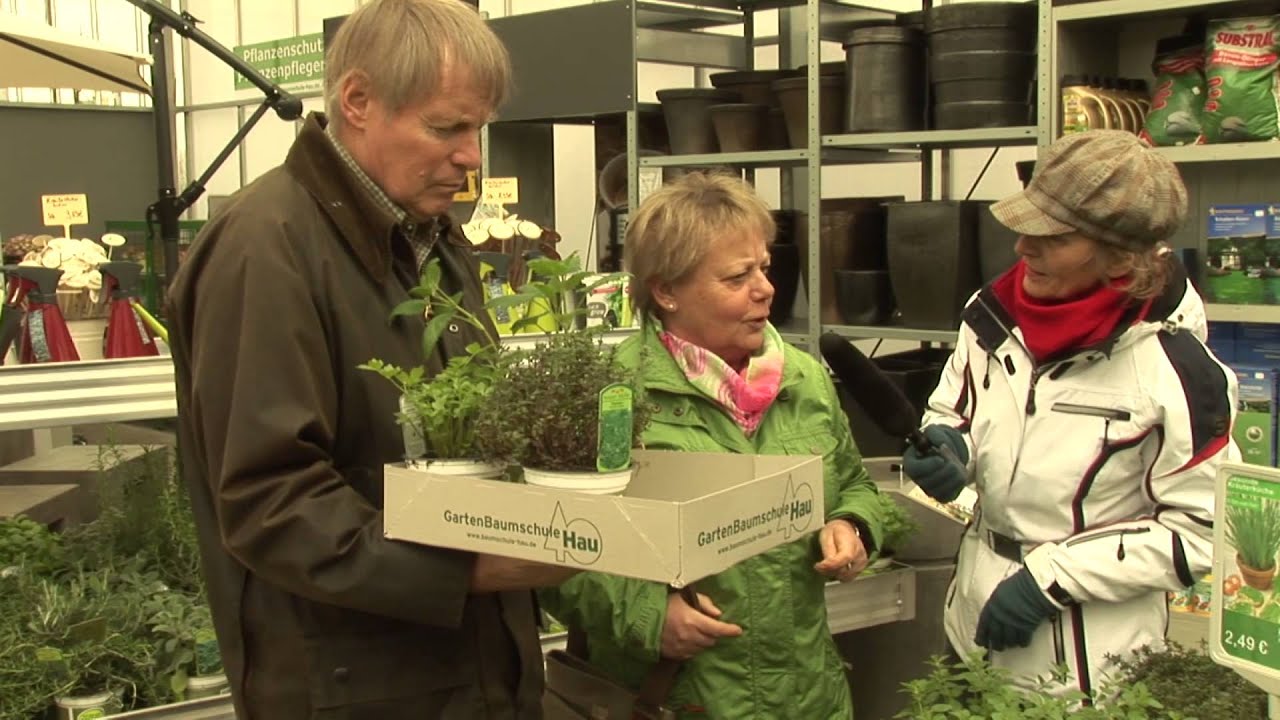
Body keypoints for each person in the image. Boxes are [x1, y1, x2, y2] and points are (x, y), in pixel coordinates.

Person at [167, 2, 574, 718]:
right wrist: (469, 569)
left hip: (477, 677)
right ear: (357, 101)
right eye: (446, 127)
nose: (471, 156)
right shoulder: (265, 249)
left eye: (478, 128)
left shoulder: (435, 246)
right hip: (358, 687)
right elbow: (272, 501)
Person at [902, 129, 1239, 698]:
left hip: (1089, 672)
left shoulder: (1179, 372)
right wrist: (950, 446)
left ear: (1122, 257)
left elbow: (1203, 532)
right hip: (968, 629)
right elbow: (953, 407)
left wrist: (1050, 579)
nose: (1022, 248)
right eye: (1025, 227)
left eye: (1053, 238)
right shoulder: (989, 316)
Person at [540, 172, 885, 719]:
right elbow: (550, 544)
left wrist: (852, 525)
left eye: (764, 268)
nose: (765, 289)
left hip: (807, 698)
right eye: (736, 276)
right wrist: (648, 614)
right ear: (666, 290)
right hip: (681, 700)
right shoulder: (612, 396)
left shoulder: (802, 379)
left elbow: (855, 484)